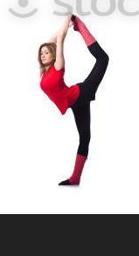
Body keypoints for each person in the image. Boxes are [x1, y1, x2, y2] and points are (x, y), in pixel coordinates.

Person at [38, 14, 110, 185]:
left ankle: (81, 26)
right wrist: (60, 29)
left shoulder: (57, 66)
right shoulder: (43, 71)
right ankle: (75, 179)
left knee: (103, 59)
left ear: (54, 55)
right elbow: (50, 41)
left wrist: (69, 18)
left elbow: (60, 38)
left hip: (81, 93)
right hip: (75, 103)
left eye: (46, 53)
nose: (43, 55)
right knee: (85, 138)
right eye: (41, 53)